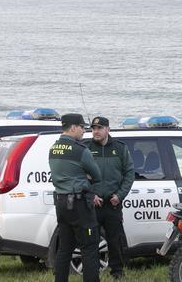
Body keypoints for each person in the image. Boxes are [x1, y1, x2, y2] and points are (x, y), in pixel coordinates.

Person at [48, 113, 102, 282]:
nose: (84, 130)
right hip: (79, 205)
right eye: (81, 127)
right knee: (90, 247)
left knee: (65, 248)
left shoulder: (53, 148)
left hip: (62, 203)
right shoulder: (80, 150)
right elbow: (97, 175)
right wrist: (85, 176)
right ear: (72, 128)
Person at [84, 117, 133, 280]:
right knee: (91, 241)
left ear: (108, 129)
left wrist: (119, 196)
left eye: (99, 128)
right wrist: (91, 194)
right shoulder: (86, 148)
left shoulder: (120, 148)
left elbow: (129, 174)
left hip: (113, 203)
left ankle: (117, 272)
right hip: (93, 204)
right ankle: (92, 273)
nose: (96, 131)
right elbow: (79, 175)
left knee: (115, 240)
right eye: (94, 128)